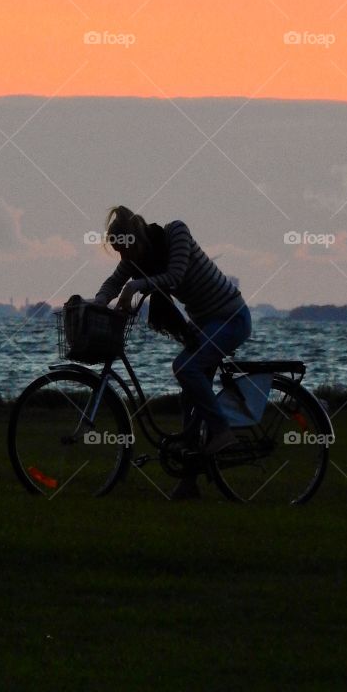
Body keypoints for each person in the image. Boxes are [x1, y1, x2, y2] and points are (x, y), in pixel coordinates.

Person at [93, 205, 251, 500]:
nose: (124, 258)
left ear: (137, 238)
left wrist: (134, 288)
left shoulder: (176, 232)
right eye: (119, 253)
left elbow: (174, 276)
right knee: (188, 398)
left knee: (186, 368)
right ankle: (189, 482)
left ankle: (221, 432)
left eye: (125, 250)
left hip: (231, 318)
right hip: (206, 325)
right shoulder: (137, 259)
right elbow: (115, 281)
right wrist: (98, 302)